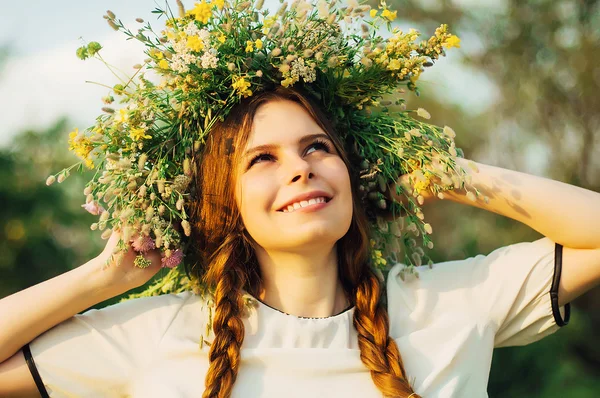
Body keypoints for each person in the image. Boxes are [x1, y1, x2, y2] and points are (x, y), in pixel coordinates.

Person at [1, 1, 600, 397]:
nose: (300, 169)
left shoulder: (453, 301)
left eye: (317, 147)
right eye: (263, 158)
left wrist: (452, 174)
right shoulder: (156, 334)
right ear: (223, 204)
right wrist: (99, 281)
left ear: (350, 171)